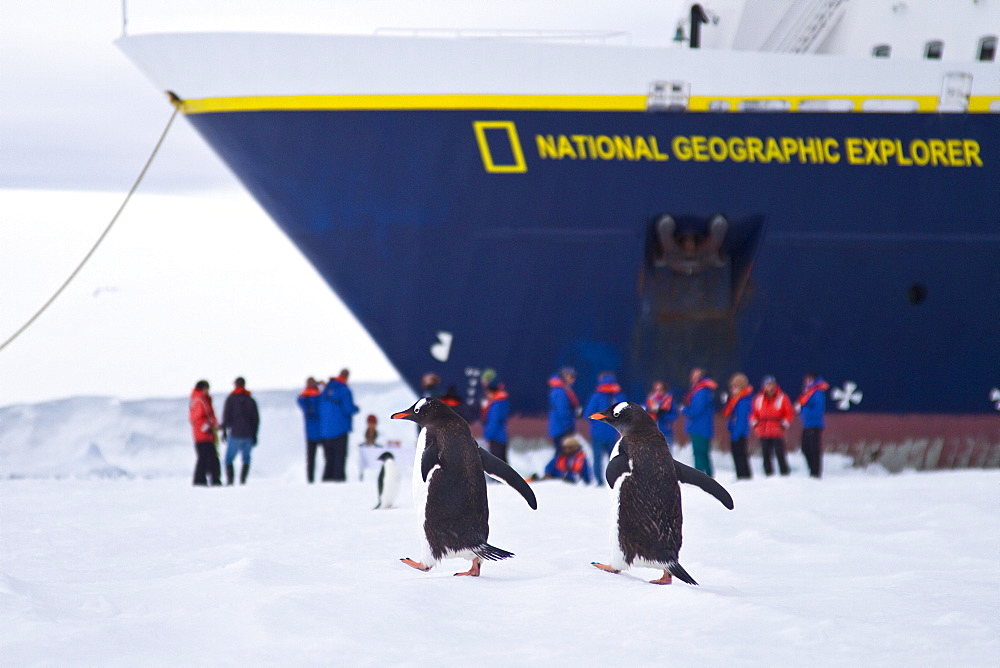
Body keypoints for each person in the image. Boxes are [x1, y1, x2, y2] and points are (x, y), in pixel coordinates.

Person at [584, 372, 627, 484]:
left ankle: (599, 481)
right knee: (614, 459)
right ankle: (615, 481)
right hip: (614, 433)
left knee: (597, 459)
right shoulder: (619, 396)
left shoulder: (596, 396)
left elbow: (588, 414)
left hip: (597, 433)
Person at [319, 369, 359, 482]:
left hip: (325, 431)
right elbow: (348, 409)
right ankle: (338, 480)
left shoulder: (326, 389)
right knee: (339, 458)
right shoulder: (344, 390)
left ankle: (326, 479)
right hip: (340, 429)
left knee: (328, 458)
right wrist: (356, 408)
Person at [750, 375, 795, 476]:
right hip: (763, 430)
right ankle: (768, 473)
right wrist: (754, 422)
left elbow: (788, 413)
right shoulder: (759, 398)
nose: (769, 387)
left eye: (771, 384)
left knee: (780, 453)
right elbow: (754, 413)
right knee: (765, 453)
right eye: (767, 385)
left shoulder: (782, 397)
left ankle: (784, 473)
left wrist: (785, 423)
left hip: (777, 429)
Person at [220, 376, 260, 485]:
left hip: (235, 434)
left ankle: (230, 481)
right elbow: (256, 420)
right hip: (248, 435)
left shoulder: (231, 399)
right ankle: (242, 480)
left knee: (228, 459)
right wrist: (255, 435)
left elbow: (226, 417)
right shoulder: (250, 400)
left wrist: (224, 431)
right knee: (246, 459)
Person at [681, 367, 718, 477]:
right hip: (702, 426)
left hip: (699, 426)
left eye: (695, 375)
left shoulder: (700, 392)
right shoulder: (704, 390)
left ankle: (699, 476)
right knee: (703, 452)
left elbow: (697, 409)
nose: (692, 378)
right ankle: (708, 475)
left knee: (699, 452)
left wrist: (684, 410)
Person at [796, 372, 830, 478]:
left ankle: (816, 472)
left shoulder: (817, 392)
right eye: (807, 379)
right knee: (805, 448)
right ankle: (812, 470)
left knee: (814, 449)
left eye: (810, 379)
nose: (808, 381)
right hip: (807, 424)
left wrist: (807, 413)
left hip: (815, 424)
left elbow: (819, 409)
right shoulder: (808, 392)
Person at [189, 380, 221, 486]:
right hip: (203, 436)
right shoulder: (199, 400)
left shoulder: (201, 399)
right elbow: (197, 418)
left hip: (205, 435)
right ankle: (205, 480)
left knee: (206, 458)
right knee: (208, 458)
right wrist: (209, 425)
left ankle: (202, 480)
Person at [723, 373, 754, 480]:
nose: (732, 389)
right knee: (737, 455)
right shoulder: (736, 400)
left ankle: (744, 476)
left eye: (734, 387)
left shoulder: (743, 401)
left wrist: (736, 434)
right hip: (735, 432)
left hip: (739, 433)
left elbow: (741, 419)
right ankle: (741, 475)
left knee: (740, 455)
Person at [297, 377, 325, 483]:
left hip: (309, 433)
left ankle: (310, 479)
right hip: (321, 432)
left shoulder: (303, 399)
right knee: (327, 457)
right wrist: (321, 385)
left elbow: (299, 398)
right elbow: (326, 395)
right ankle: (327, 477)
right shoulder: (319, 396)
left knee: (310, 459)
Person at [547, 366, 579, 455]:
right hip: (561, 429)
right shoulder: (560, 391)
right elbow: (562, 411)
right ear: (564, 376)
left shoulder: (560, 390)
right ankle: (551, 469)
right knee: (562, 454)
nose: (573, 379)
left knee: (562, 454)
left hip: (559, 428)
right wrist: (568, 426)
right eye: (571, 377)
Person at [481, 381, 510, 463]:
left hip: (496, 438)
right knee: (503, 463)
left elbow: (494, 422)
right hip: (502, 437)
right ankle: (509, 476)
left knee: (496, 464)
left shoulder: (496, 405)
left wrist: (488, 437)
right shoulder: (503, 402)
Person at [644, 380, 678, 445]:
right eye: (656, 390)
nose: (658, 392)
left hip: (666, 433)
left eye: (661, 390)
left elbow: (674, 416)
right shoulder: (650, 402)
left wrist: (663, 415)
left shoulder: (669, 401)